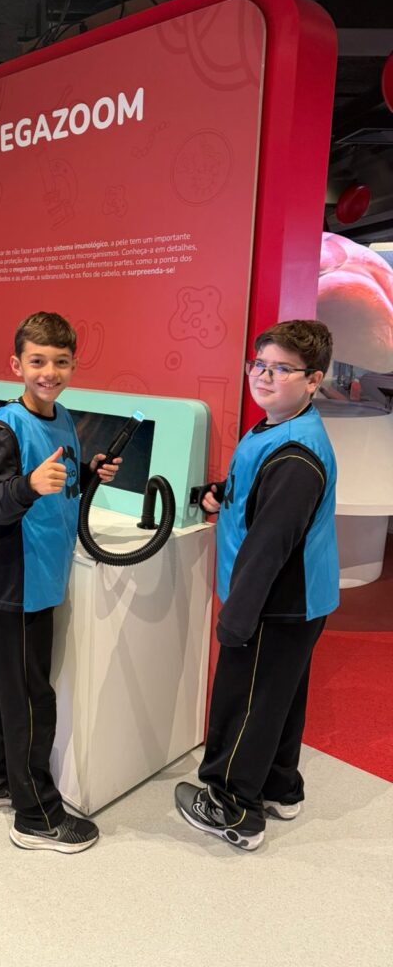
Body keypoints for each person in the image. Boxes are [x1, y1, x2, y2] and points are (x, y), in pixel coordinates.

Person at [175, 319, 339, 851]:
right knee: (277, 698)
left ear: (313, 379)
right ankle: (279, 787)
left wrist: (238, 618)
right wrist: (224, 492)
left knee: (244, 701)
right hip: (297, 600)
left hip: (275, 601)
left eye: (282, 369)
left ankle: (233, 807)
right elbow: (259, 495)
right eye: (259, 364)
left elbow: (271, 545)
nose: (264, 376)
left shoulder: (296, 455)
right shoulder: (277, 427)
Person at [0, 312, 121, 853]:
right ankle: (35, 814)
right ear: (17, 365)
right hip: (19, 580)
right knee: (31, 695)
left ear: (73, 365)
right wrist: (28, 486)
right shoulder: (6, 427)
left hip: (42, 573)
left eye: (60, 361)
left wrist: (89, 472)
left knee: (5, 682)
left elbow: (58, 482)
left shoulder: (62, 417)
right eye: (37, 361)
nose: (49, 372)